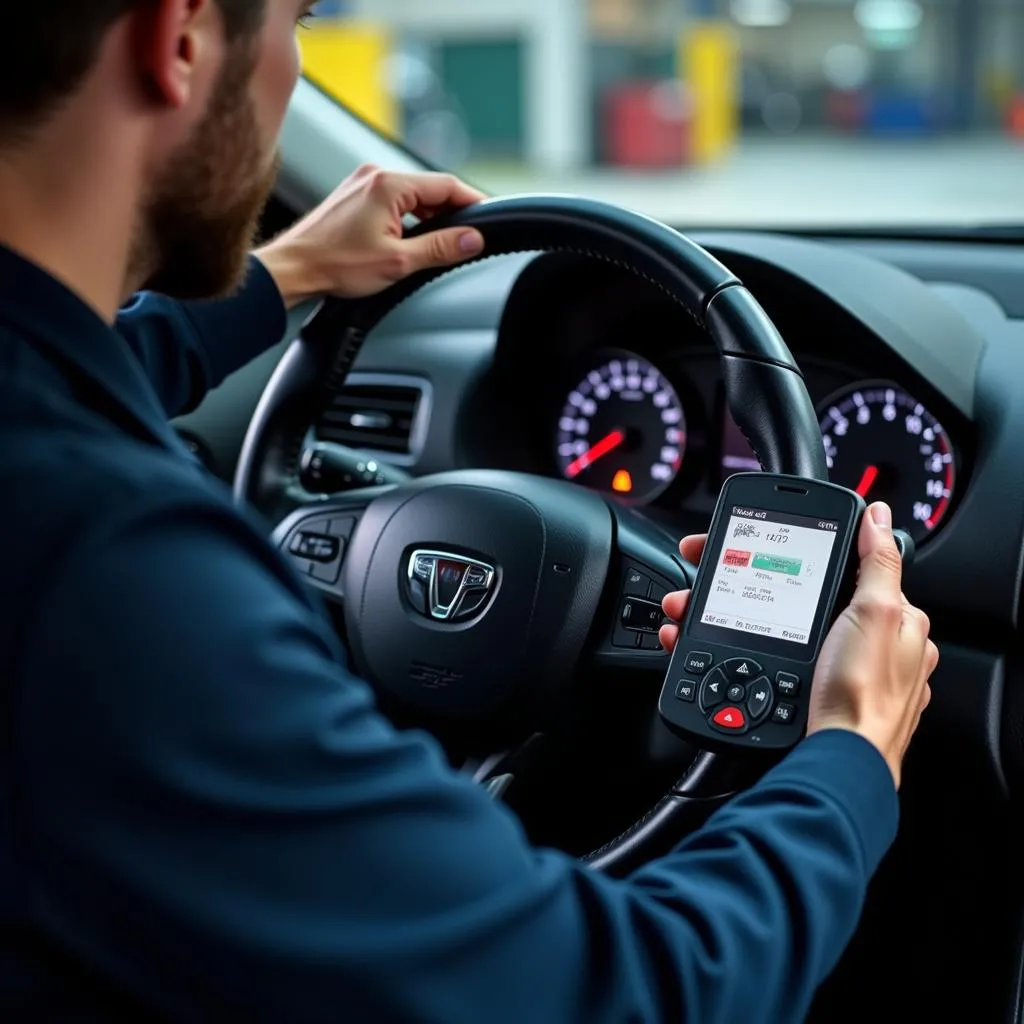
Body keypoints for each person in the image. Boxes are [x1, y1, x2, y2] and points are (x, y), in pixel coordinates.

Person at [0, 2, 937, 1021]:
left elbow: (65, 369)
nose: (293, 64)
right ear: (179, 39)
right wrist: (850, 748)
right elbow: (631, 993)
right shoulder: (112, 578)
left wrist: (289, 272)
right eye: (296, 20)